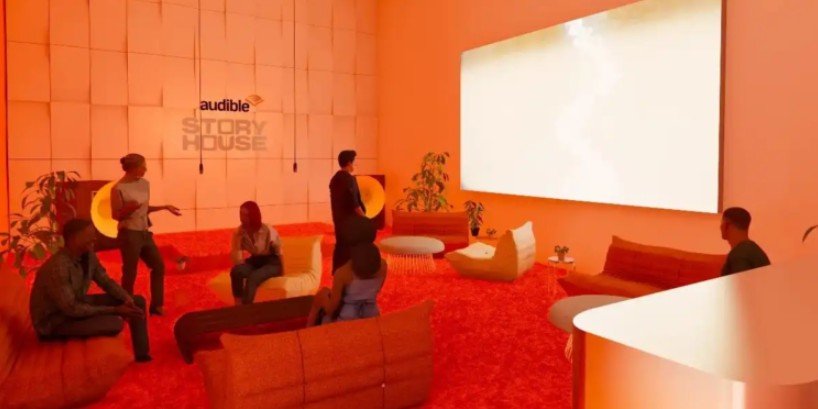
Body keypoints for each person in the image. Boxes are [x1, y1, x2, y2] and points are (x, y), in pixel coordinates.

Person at [30, 219, 152, 362]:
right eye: (89, 235)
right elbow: (72, 309)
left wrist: (126, 298)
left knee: (137, 302)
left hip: (76, 303)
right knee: (115, 323)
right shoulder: (58, 267)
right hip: (55, 321)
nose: (94, 238)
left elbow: (105, 281)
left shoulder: (88, 255)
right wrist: (115, 310)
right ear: (74, 239)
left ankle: (142, 355)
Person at [111, 153, 181, 316]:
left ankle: (157, 306)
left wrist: (164, 207)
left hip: (144, 232)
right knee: (130, 272)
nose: (146, 170)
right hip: (129, 234)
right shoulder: (118, 188)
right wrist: (129, 209)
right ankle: (127, 305)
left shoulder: (144, 184)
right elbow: (115, 215)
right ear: (134, 168)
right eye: (143, 167)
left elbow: (144, 209)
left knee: (158, 266)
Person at [308, 216, 386, 326]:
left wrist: (322, 298)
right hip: (372, 319)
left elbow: (331, 309)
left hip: (346, 323)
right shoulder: (383, 266)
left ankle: (308, 332)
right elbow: (377, 290)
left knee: (321, 295)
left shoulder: (343, 273)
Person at [230, 201, 284, 305]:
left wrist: (283, 270)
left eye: (245, 215)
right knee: (236, 271)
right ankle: (238, 305)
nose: (242, 218)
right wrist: (238, 241)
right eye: (240, 214)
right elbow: (238, 262)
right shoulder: (240, 232)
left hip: (272, 262)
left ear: (253, 216)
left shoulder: (267, 230)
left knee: (253, 278)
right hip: (256, 260)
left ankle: (246, 309)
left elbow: (280, 250)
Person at [329, 150, 366, 274]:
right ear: (349, 163)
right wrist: (365, 219)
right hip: (351, 221)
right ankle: (350, 272)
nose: (355, 164)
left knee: (340, 245)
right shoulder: (349, 180)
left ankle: (337, 272)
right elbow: (355, 204)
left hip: (339, 219)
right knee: (352, 247)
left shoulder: (334, 179)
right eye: (355, 161)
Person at [720, 207, 770, 276]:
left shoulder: (739, 254)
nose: (720, 227)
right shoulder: (753, 248)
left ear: (726, 225)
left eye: (721, 223)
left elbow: (741, 282)